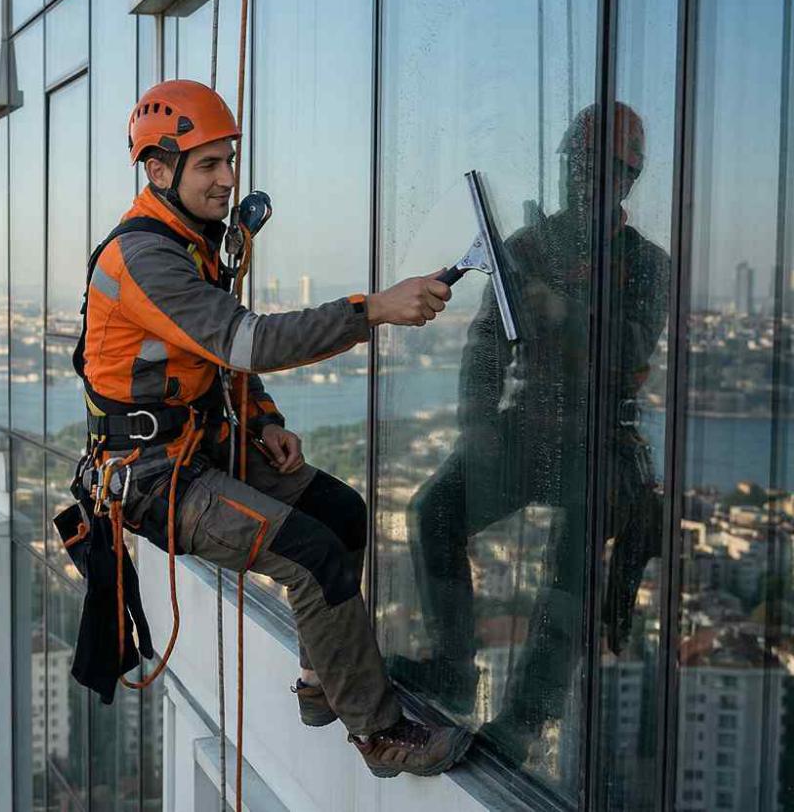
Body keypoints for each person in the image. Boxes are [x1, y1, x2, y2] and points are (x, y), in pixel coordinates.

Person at [73, 79, 472, 778]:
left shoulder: (187, 242)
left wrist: (263, 421)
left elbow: (213, 359)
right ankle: (379, 735)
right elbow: (245, 341)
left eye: (230, 161)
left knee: (342, 514)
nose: (229, 180)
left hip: (202, 449)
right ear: (158, 169)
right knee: (311, 555)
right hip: (152, 477)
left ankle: (325, 682)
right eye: (209, 165)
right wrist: (372, 309)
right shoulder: (144, 257)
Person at [394, 101, 670, 763]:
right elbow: (486, 349)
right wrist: (479, 431)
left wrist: (560, 310)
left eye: (595, 167)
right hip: (535, 423)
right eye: (575, 163)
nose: (580, 176)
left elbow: (632, 351)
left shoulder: (644, 264)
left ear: (624, 180)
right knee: (434, 511)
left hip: (602, 435)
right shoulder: (529, 248)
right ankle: (454, 667)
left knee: (570, 572)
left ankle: (525, 718)